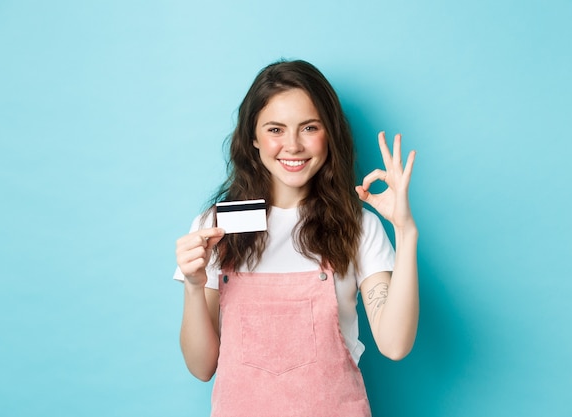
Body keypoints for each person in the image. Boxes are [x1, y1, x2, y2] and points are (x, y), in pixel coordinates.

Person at [173, 59, 419, 417]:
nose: (292, 145)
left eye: (309, 127)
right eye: (275, 129)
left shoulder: (358, 226)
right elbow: (201, 367)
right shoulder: (216, 227)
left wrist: (405, 230)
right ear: (253, 138)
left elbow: (395, 345)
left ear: (329, 134)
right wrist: (194, 286)